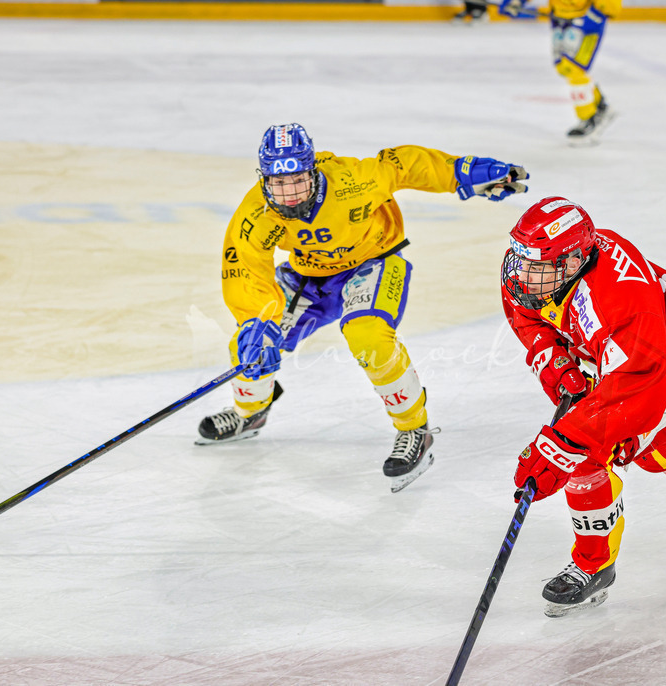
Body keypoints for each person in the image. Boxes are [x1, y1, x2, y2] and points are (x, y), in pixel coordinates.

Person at [197, 123, 528, 492]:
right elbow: (245, 271)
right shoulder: (255, 213)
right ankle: (250, 413)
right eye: (278, 183)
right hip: (310, 276)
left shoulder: (352, 180)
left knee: (369, 337)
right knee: (249, 346)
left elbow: (403, 165)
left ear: (313, 171)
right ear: (264, 178)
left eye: (298, 181)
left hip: (373, 262)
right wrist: (257, 322)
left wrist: (461, 171)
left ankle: (415, 428)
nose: (289, 194)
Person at [500, 197, 666, 617]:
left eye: (537, 266)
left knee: (590, 454)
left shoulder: (620, 300)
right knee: (640, 445)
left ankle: (594, 567)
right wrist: (561, 368)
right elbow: (527, 316)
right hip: (610, 351)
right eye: (522, 260)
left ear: (573, 262)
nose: (522, 275)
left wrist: (561, 444)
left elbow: (639, 389)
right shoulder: (544, 273)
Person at [499, 0, 621, 145]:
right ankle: (601, 107)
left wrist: (598, 14)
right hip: (560, 19)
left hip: (586, 19)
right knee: (563, 67)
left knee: (573, 67)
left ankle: (589, 117)